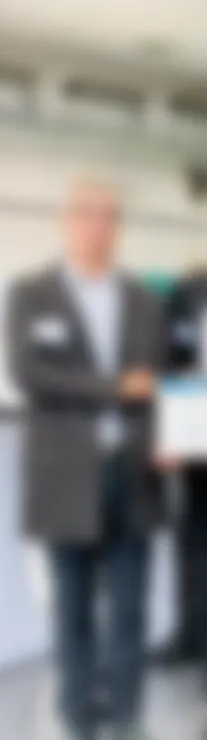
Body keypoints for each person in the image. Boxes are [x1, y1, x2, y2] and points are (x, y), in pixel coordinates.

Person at [6, 180, 166, 740]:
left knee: (129, 608)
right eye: (84, 215)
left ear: (116, 226)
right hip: (65, 478)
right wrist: (112, 388)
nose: (96, 226)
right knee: (71, 611)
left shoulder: (146, 301)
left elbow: (168, 381)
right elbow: (31, 373)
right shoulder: (34, 295)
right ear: (68, 223)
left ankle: (125, 722)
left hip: (136, 477)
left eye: (107, 216)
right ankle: (77, 730)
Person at [160, 269, 207, 669]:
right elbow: (171, 361)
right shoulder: (189, 289)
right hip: (196, 437)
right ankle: (190, 636)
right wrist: (172, 434)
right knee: (192, 539)